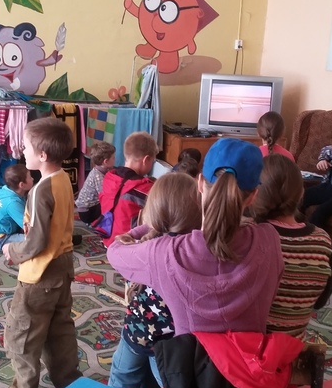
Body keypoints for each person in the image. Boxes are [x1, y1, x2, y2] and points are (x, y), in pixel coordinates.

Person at [107, 138, 284, 337]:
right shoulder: (269, 240)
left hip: (188, 357)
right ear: (253, 196)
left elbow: (114, 252)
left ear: (199, 183)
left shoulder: (165, 253)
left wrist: (152, 225)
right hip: (249, 356)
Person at [0, 118, 81, 388]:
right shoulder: (63, 179)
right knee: (59, 330)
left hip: (39, 275)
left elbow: (36, 242)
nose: (22, 151)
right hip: (62, 268)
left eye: (26, 147)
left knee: (22, 334)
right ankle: (69, 381)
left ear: (42, 155)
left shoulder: (40, 191)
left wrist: (12, 250)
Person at [108, 173, 202, 388]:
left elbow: (114, 250)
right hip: (174, 342)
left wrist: (144, 228)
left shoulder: (149, 250)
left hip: (138, 333)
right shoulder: (197, 249)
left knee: (122, 379)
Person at [251, 154, 332, 339]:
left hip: (244, 346)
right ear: (301, 193)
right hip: (291, 346)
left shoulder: (248, 235)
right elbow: (320, 302)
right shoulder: (322, 241)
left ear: (254, 193)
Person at [98, 131, 158, 245]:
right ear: (146, 160)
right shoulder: (144, 187)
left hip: (108, 239)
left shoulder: (109, 176)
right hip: (128, 244)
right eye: (152, 161)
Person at [0, 164, 34, 252]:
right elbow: (27, 227)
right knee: (35, 241)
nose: (32, 179)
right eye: (30, 177)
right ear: (22, 185)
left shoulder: (7, 191)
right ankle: (8, 248)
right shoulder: (12, 203)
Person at [75, 141, 116, 225]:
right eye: (113, 158)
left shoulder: (100, 169)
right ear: (106, 162)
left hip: (88, 208)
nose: (115, 160)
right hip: (87, 212)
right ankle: (99, 224)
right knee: (113, 203)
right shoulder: (98, 176)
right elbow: (105, 196)